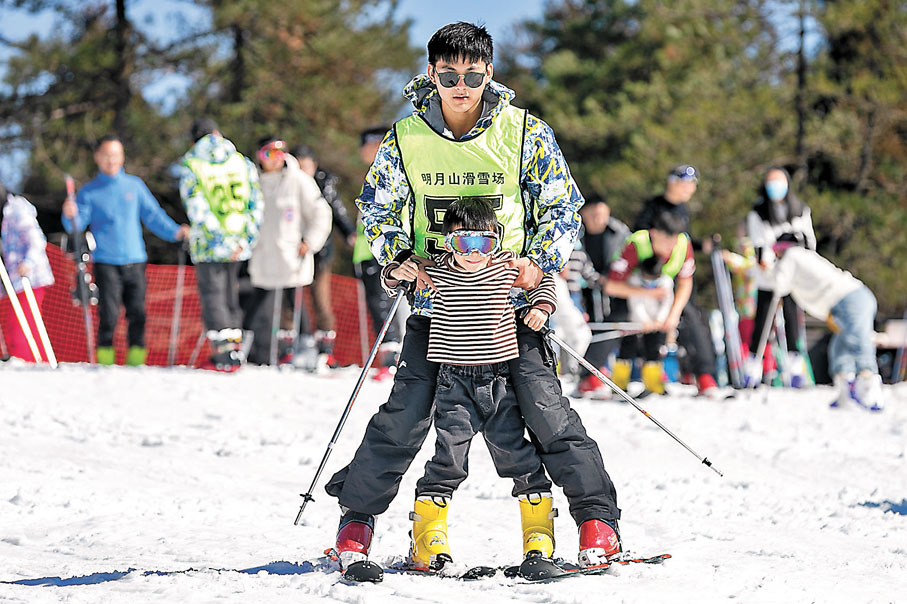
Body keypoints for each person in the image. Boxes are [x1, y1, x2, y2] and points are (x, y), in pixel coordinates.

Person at [325, 22, 622, 573]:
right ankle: (356, 522)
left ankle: (596, 520)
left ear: (489, 73)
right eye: (448, 75)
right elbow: (377, 208)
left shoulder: (525, 132)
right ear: (432, 74)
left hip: (510, 308)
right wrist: (396, 257)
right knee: (406, 419)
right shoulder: (406, 137)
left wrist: (540, 263)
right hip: (435, 306)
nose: (460, 86)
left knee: (546, 412)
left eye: (471, 75)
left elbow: (560, 207)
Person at [377, 198, 557, 570]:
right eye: (463, 244)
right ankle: (428, 535)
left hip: (498, 379)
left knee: (514, 451)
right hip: (453, 383)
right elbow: (393, 277)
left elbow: (544, 279)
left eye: (483, 243)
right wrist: (399, 269)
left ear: (495, 240)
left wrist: (540, 307)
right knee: (449, 454)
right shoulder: (436, 270)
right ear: (447, 243)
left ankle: (538, 534)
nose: (474, 253)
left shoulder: (505, 267)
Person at [62, 135, 188, 366]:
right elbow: (75, 225)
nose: (112, 160)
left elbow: (153, 216)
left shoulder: (134, 185)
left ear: (122, 157)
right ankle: (104, 362)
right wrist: (69, 214)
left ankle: (136, 362)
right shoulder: (89, 191)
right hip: (106, 262)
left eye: (116, 155)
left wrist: (175, 232)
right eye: (107, 155)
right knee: (108, 315)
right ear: (97, 157)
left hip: (135, 260)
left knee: (138, 314)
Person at [179, 118, 263, 370]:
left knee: (213, 294)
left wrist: (220, 239)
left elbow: (197, 207)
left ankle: (223, 354)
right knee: (230, 294)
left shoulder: (192, 163)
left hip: (210, 244)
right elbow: (256, 203)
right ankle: (236, 350)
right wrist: (244, 238)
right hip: (238, 241)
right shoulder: (242, 161)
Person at [245, 137, 332, 366]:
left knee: (293, 303)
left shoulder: (298, 179)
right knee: (257, 303)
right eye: (268, 154)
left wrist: (310, 241)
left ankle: (300, 349)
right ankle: (250, 351)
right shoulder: (253, 182)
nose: (275, 160)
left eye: (279, 153)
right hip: (263, 255)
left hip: (292, 255)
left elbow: (321, 212)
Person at [633, 165, 717, 396]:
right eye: (687, 184)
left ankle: (704, 375)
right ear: (673, 183)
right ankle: (650, 374)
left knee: (692, 318)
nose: (691, 189)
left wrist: (702, 246)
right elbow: (641, 240)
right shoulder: (653, 207)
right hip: (649, 280)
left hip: (677, 278)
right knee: (651, 323)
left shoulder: (683, 209)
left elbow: (682, 241)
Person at [768, 244, 883, 410]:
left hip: (850, 298)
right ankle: (846, 393)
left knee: (858, 343)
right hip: (848, 300)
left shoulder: (792, 255)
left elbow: (779, 285)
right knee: (839, 349)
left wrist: (766, 269)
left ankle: (870, 392)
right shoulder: (801, 258)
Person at [605, 211, 696, 396]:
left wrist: (671, 316)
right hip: (632, 302)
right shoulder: (637, 243)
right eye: (664, 241)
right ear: (654, 234)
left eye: (672, 242)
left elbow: (685, 283)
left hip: (660, 308)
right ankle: (619, 381)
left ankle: (654, 381)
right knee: (627, 342)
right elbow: (611, 286)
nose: (668, 247)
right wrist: (648, 293)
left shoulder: (682, 245)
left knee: (657, 343)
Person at [746, 166, 817, 387]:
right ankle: (753, 370)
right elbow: (759, 246)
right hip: (769, 276)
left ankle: (795, 369)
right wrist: (770, 259)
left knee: (793, 319)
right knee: (764, 320)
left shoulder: (800, 210)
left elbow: (809, 242)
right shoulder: (757, 213)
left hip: (794, 276)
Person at [292, 145, 357, 366]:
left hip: (320, 251)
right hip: (292, 250)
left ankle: (325, 348)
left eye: (306, 166)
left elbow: (336, 211)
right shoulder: (289, 182)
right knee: (291, 297)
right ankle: (297, 342)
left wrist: (349, 233)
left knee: (320, 298)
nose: (302, 171)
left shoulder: (322, 184)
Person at [350, 125, 405, 379]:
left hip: (383, 251)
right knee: (376, 304)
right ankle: (387, 357)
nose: (361, 150)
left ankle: (393, 359)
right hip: (366, 251)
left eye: (365, 144)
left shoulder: (392, 170)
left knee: (387, 303)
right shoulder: (373, 173)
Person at [573, 195, 631, 398]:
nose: (600, 219)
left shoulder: (620, 232)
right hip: (583, 287)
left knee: (614, 327)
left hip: (616, 288)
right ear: (584, 215)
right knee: (586, 329)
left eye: (603, 214)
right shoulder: (574, 234)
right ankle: (589, 374)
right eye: (594, 215)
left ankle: (599, 372)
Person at [0, 180, 55, 363]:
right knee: (16, 329)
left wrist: (28, 262)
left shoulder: (16, 210)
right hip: (12, 284)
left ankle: (29, 367)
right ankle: (34, 364)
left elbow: (37, 239)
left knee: (22, 330)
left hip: (29, 279)